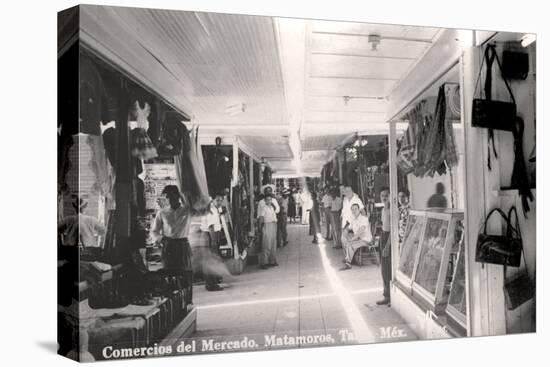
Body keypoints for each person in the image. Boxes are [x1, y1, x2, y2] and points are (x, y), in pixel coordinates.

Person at [150, 185, 193, 303]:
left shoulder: (187, 210)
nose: (169, 199)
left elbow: (196, 205)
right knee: (169, 275)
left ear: (178, 196)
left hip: (183, 244)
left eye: (172, 195)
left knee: (185, 273)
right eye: (167, 196)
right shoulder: (162, 213)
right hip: (168, 245)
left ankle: (187, 301)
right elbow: (153, 231)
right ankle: (172, 302)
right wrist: (161, 239)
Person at [199, 193, 225, 291]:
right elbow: (211, 227)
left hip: (212, 235)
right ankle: (211, 284)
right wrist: (214, 242)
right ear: (212, 200)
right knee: (210, 261)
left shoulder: (215, 209)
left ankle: (213, 281)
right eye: (217, 200)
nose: (220, 202)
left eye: (221, 200)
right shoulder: (210, 211)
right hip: (209, 236)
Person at [340, 203, 372, 270]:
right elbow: (349, 228)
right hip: (359, 239)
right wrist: (345, 232)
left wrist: (354, 238)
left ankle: (348, 263)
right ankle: (350, 258)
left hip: (366, 240)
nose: (354, 211)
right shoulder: (353, 219)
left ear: (359, 210)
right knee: (345, 240)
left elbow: (361, 229)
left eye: (355, 209)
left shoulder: (364, 218)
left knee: (350, 244)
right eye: (352, 209)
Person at [377, 187, 392, 306]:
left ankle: (390, 296)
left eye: (386, 195)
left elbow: (392, 230)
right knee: (383, 269)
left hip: (389, 239)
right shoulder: (383, 210)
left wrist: (387, 246)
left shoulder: (392, 210)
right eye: (382, 195)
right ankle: (386, 294)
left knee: (388, 269)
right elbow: (384, 226)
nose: (384, 198)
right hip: (383, 236)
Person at [258, 193, 278, 269]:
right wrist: (260, 228)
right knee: (266, 244)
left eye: (270, 199)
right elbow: (261, 218)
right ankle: (264, 263)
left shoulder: (272, 208)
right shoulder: (264, 208)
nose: (269, 201)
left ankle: (272, 261)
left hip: (273, 225)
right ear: (265, 201)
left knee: (273, 243)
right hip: (267, 225)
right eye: (267, 200)